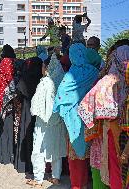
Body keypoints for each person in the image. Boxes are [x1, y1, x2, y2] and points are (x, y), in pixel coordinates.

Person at [78, 44, 129, 189]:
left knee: (118, 173)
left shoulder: (108, 81)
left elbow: (85, 108)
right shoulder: (111, 81)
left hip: (115, 136)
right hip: (117, 136)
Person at [53, 43, 101, 189]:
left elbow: (61, 96)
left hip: (73, 119)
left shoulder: (70, 74)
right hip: (90, 118)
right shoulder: (94, 71)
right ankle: (87, 183)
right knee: (90, 152)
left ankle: (77, 185)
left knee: (75, 154)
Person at [27, 54, 67, 187]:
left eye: (43, 66)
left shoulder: (45, 82)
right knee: (56, 148)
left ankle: (38, 179)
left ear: (47, 67)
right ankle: (56, 177)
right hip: (58, 121)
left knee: (38, 149)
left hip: (43, 122)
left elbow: (36, 104)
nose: (42, 69)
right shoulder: (62, 80)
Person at [0, 44, 17, 164]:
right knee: (8, 130)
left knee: (0, 129)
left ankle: (0, 156)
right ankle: (9, 156)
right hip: (9, 107)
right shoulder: (11, 80)